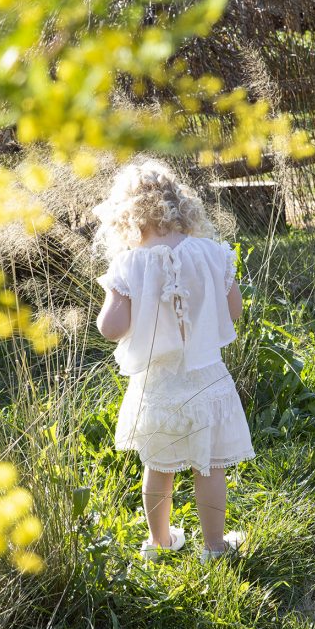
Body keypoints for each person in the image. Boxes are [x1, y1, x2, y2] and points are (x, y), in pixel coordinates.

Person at [93, 159, 255, 563]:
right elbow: (233, 312)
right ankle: (215, 547)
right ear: (182, 206)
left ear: (127, 217)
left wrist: (134, 306)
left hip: (158, 385)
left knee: (158, 465)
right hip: (206, 379)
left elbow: (111, 328)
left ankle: (159, 541)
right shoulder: (213, 254)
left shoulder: (129, 264)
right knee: (210, 465)